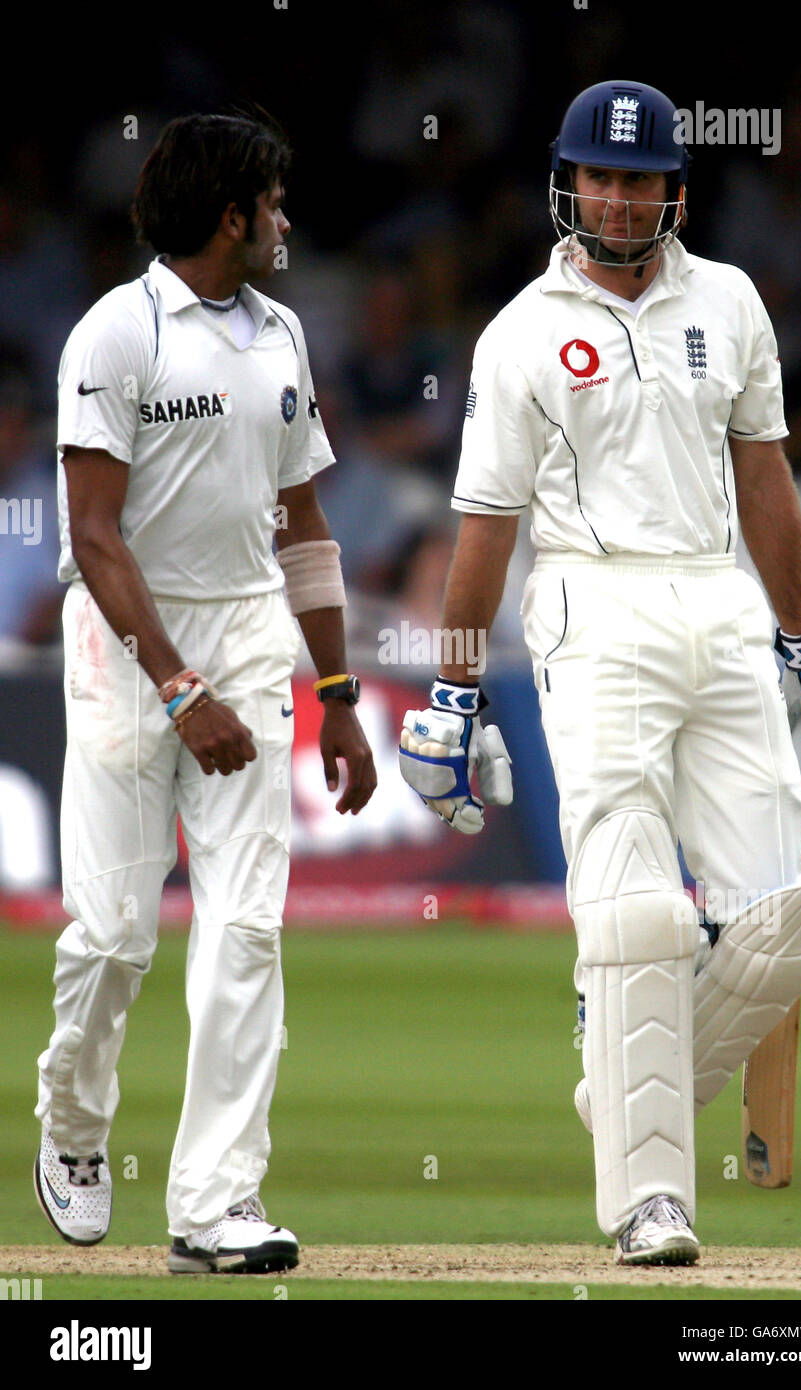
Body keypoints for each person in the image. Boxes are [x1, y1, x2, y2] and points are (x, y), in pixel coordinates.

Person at [399, 80, 801, 1266]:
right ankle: (650, 1201)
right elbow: (484, 529)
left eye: (637, 179)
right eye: (595, 177)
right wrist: (453, 689)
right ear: (565, 183)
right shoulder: (514, 334)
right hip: (587, 607)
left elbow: (763, 481)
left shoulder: (731, 302)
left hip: (718, 598)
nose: (614, 198)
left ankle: (619, 1078)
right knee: (636, 918)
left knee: (784, 930)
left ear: (672, 189)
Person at [33, 112, 376, 1274]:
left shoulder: (282, 335)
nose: (285, 224)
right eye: (272, 205)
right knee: (117, 936)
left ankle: (216, 1203)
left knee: (245, 929)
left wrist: (336, 690)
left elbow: (304, 527)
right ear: (232, 215)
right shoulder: (114, 334)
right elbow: (91, 534)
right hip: (131, 643)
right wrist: (182, 689)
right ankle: (74, 1129)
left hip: (244, 637)